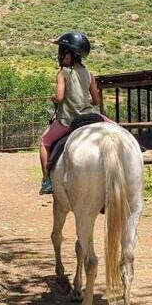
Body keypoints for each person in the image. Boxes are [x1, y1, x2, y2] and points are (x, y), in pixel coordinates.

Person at [38, 31, 107, 195]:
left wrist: (54, 98)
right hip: (90, 117)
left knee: (44, 142)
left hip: (68, 120)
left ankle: (47, 180)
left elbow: (60, 97)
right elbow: (96, 101)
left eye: (62, 51)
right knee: (114, 128)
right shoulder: (90, 75)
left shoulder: (63, 74)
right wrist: (84, 103)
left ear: (67, 53)